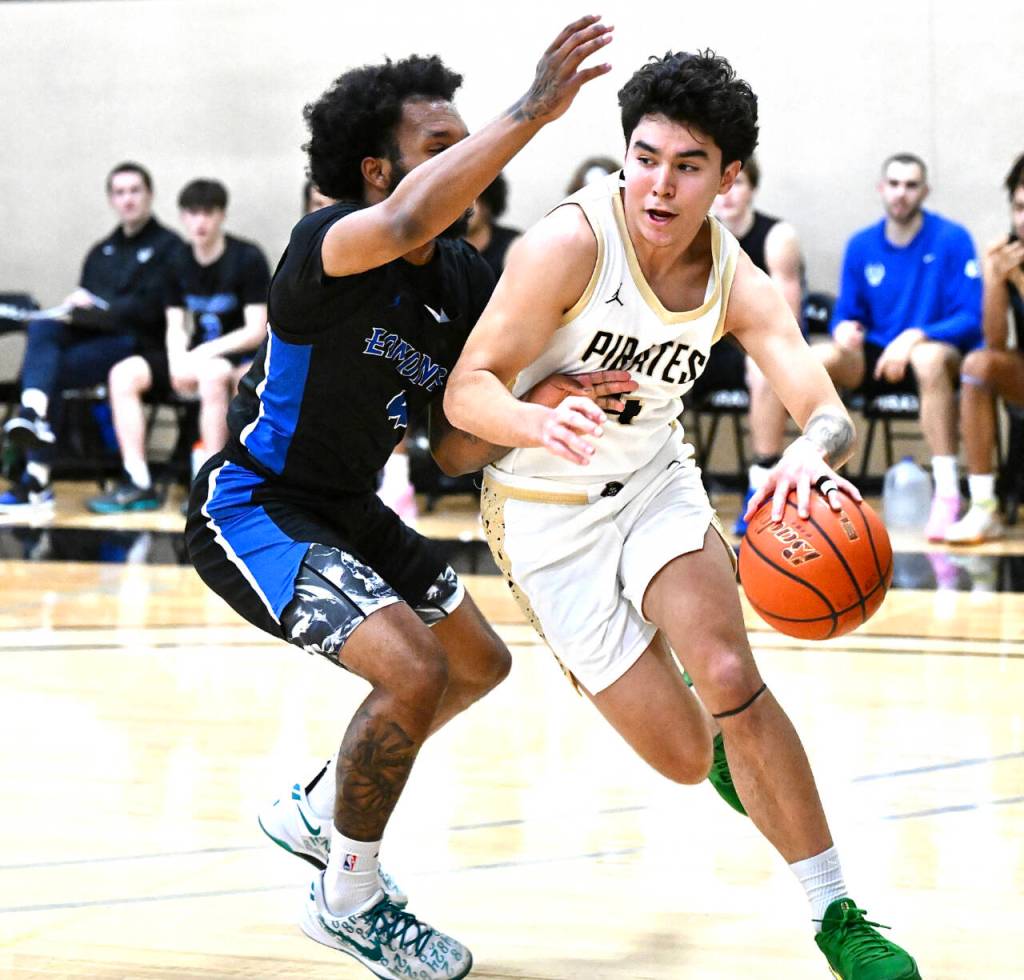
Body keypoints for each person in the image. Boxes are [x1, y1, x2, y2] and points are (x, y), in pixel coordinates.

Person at [445, 50, 920, 979]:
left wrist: (805, 452)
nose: (659, 183)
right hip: (544, 514)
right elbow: (466, 394)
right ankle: (728, 755)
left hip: (657, 485)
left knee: (730, 668)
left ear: (727, 178)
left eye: (688, 164)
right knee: (679, 754)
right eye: (645, 156)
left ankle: (839, 917)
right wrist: (541, 416)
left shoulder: (735, 278)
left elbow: (827, 409)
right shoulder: (568, 245)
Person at [185, 18, 618, 980]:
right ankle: (349, 896)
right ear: (380, 171)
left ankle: (317, 803)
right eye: (441, 145)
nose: (468, 157)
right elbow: (404, 227)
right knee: (414, 670)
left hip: (351, 507)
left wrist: (533, 404)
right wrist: (535, 109)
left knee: (477, 662)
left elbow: (455, 446)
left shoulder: (463, 281)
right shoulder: (330, 241)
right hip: (257, 501)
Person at [818, 153, 982, 541]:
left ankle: (946, 494)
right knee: (819, 357)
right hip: (877, 357)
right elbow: (844, 312)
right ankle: (813, 481)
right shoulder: (861, 245)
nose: (901, 194)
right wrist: (843, 329)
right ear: (881, 189)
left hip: (937, 354)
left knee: (926, 358)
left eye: (911, 185)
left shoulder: (952, 239)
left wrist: (914, 336)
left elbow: (970, 317)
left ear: (924, 191)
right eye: (894, 184)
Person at [0, 162, 182, 512]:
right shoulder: (102, 251)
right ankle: (34, 415)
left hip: (137, 347)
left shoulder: (169, 247)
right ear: (111, 199)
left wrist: (99, 308)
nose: (127, 199)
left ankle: (35, 478)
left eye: (134, 191)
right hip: (94, 341)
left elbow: (149, 310)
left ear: (149, 195)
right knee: (43, 328)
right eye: (119, 192)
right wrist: (75, 307)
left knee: (46, 368)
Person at [86, 179, 270, 513]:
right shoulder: (176, 260)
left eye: (207, 213)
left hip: (235, 355)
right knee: (123, 374)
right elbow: (174, 325)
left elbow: (256, 329)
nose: (200, 222)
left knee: (214, 375)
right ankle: (137, 480)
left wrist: (200, 355)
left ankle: (209, 485)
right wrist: (176, 362)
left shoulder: (246, 257)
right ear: (182, 217)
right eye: (192, 214)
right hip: (195, 354)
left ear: (221, 215)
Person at [694, 155, 805, 534]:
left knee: (764, 367)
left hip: (754, 345)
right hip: (705, 344)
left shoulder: (777, 237)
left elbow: (783, 323)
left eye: (738, 184)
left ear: (751, 189)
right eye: (723, 186)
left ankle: (762, 476)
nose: (728, 195)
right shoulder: (694, 233)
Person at [945, 152, 1024, 543]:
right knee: (977, 365)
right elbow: (995, 340)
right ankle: (983, 506)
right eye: (1021, 207)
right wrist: (995, 278)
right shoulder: (1010, 252)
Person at [462, 173, 522, 276]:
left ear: (488, 203)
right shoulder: (439, 249)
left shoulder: (513, 244)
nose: (462, 210)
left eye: (471, 200)